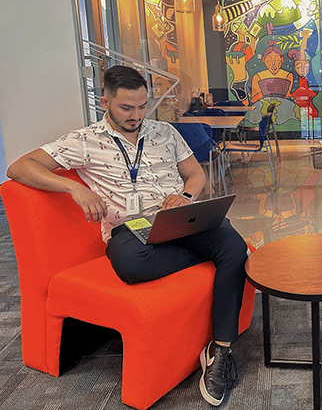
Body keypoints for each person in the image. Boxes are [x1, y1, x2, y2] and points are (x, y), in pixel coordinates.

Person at [6, 65, 246, 407]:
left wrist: (187, 196)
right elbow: (19, 167)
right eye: (126, 108)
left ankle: (220, 350)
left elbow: (195, 172)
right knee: (133, 265)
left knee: (234, 246)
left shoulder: (165, 132)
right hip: (132, 229)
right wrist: (73, 186)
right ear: (105, 101)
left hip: (180, 215)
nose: (136, 115)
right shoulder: (84, 140)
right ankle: (216, 258)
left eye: (142, 106)